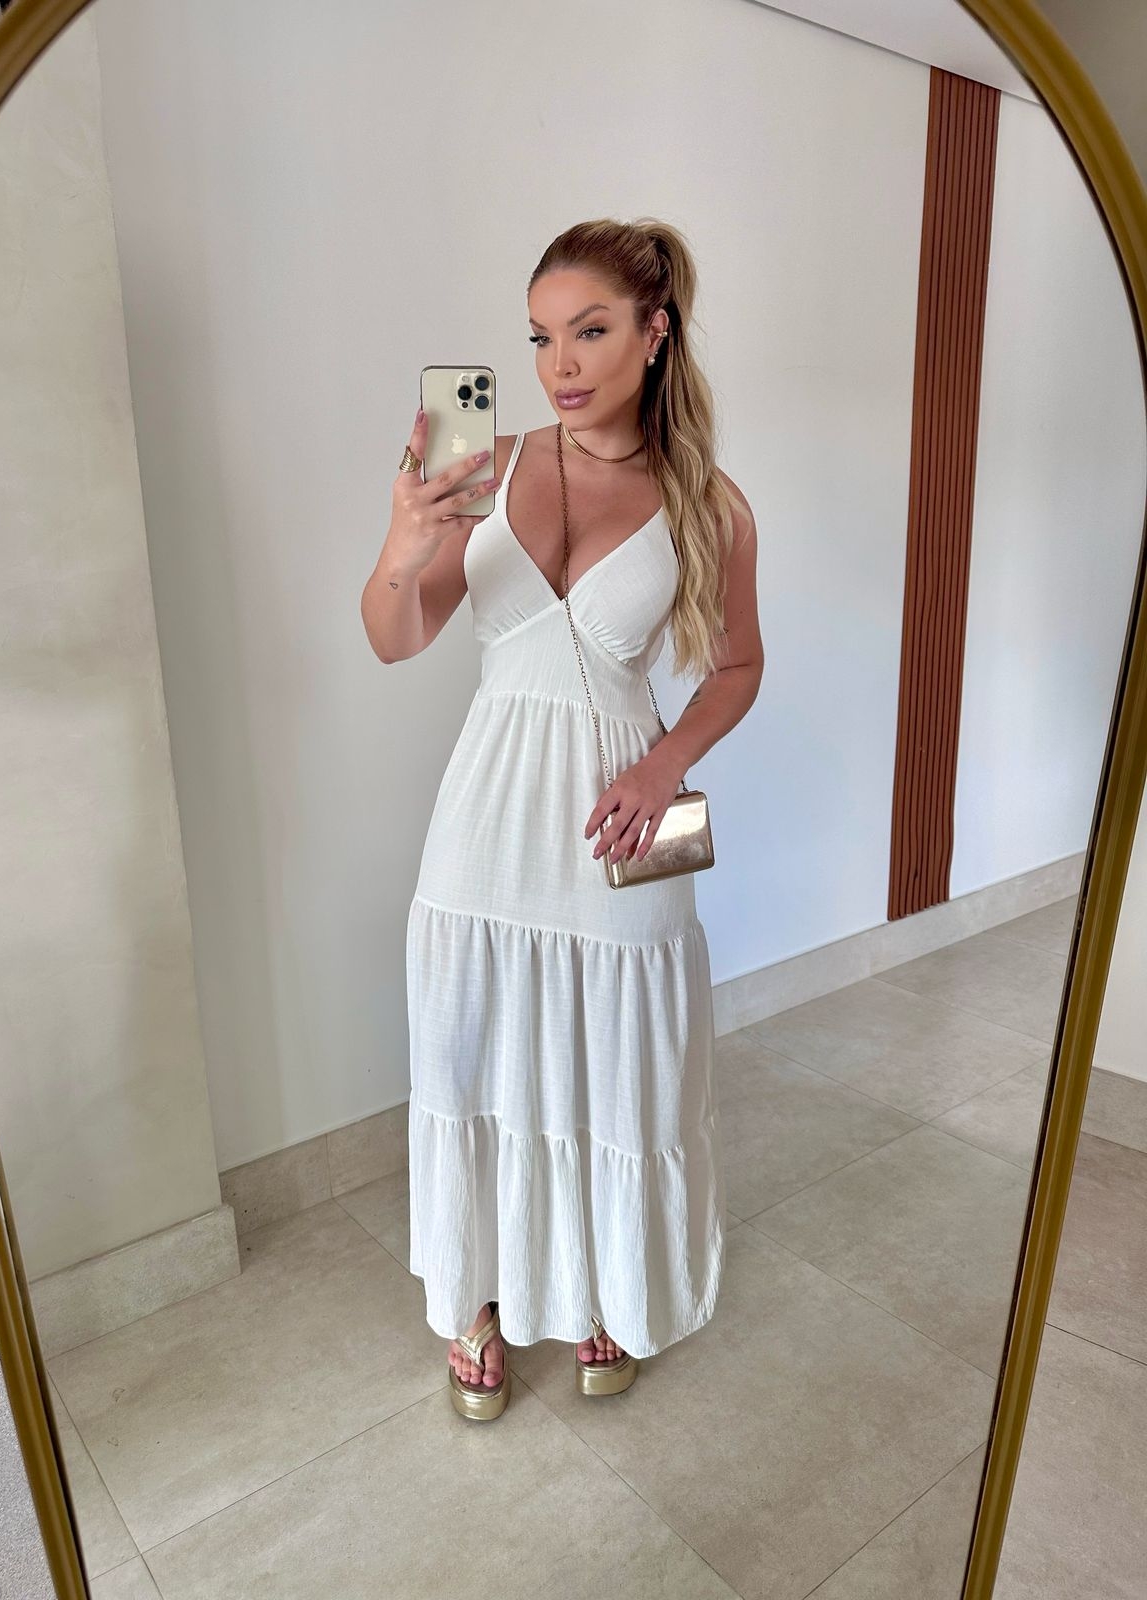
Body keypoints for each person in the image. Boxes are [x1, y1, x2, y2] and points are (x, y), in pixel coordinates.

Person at [360, 217, 763, 1421]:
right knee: (470, 1050)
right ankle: (476, 1300)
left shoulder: (710, 503)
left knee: (619, 1065)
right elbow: (394, 636)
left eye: (590, 330)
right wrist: (407, 539)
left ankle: (604, 1285)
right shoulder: (478, 461)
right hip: (487, 814)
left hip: (619, 821)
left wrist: (667, 765)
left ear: (656, 331)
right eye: (540, 337)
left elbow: (738, 666)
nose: (560, 364)